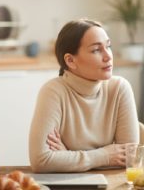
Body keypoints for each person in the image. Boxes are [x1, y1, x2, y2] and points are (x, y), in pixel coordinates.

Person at [29, 18, 139, 173]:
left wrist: (67, 157)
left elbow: (129, 157)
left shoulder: (120, 88)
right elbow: (41, 161)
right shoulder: (53, 92)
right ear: (71, 60)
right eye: (96, 50)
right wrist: (104, 156)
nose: (108, 56)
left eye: (108, 46)